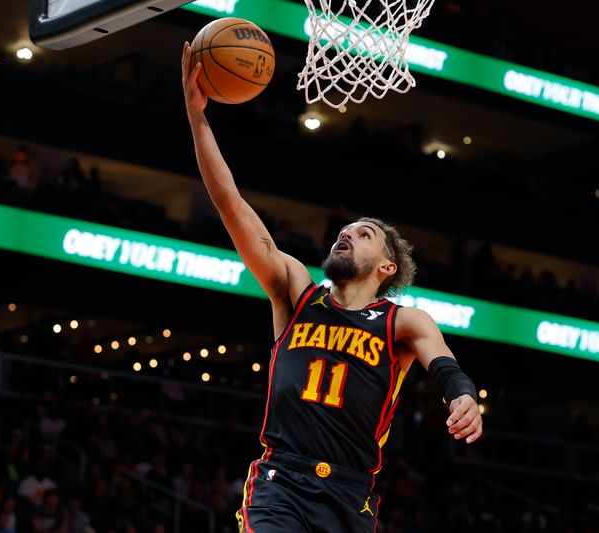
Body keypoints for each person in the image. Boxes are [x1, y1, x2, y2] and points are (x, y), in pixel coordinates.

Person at [181, 41, 483, 533]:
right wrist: (198, 119)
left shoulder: (402, 323)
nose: (347, 233)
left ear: (387, 267)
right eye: (346, 230)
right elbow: (231, 204)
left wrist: (463, 397)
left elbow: (444, 364)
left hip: (349, 496)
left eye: (365, 234)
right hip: (281, 482)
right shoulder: (295, 292)